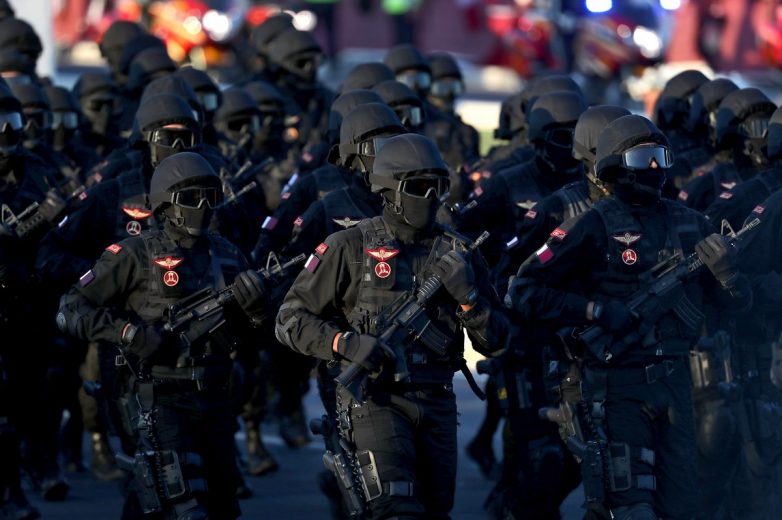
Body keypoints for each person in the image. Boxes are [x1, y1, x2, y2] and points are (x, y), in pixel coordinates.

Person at [506, 114, 752, 519]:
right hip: (617, 386)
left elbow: (735, 307)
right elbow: (525, 289)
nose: (654, 168)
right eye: (642, 159)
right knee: (629, 506)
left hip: (676, 382)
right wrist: (594, 310)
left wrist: (729, 277)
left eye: (660, 158)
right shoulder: (591, 224)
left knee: (683, 506)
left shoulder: (691, 223)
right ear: (615, 167)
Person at [276, 133, 508, 519]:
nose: (430, 196)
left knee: (436, 512)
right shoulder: (348, 246)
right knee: (396, 509)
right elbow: (290, 319)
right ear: (389, 190)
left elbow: (496, 340)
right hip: (375, 400)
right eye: (418, 187)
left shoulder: (459, 253)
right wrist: (344, 343)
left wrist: (469, 298)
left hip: (436, 399)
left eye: (438, 186)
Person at [56, 152, 270, 519]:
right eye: (191, 197)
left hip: (216, 399)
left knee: (221, 506)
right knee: (179, 503)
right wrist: (128, 333)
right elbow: (71, 308)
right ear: (165, 204)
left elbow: (259, 338)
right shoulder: (133, 253)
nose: (202, 206)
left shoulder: (228, 255)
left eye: (210, 197)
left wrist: (258, 311)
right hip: (161, 397)